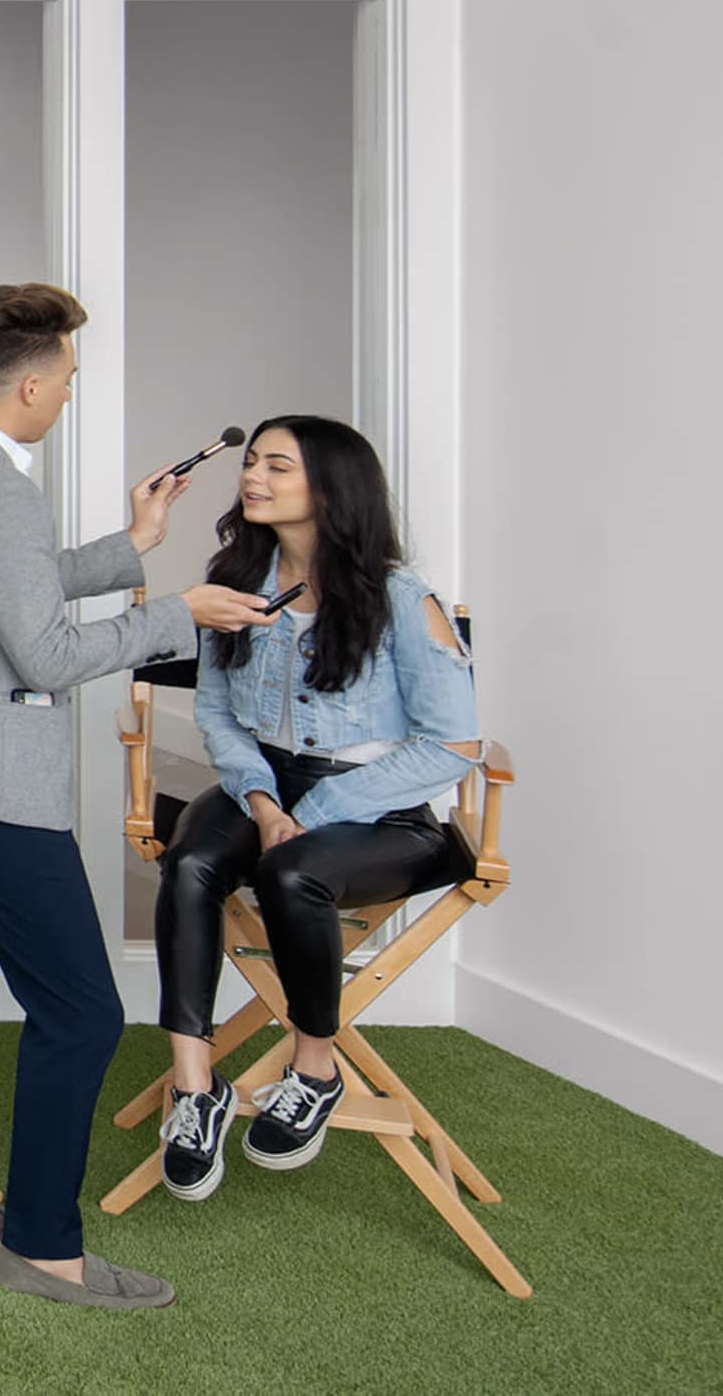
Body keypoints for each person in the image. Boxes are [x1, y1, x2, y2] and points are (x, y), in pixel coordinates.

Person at [0, 286, 276, 1310]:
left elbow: (8, 586)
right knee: (82, 1007)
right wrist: (180, 611)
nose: (70, 396)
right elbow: (42, 646)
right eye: (71, 380)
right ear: (33, 382)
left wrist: (134, 540)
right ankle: (40, 1243)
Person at [149, 416, 479, 1201]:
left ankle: (315, 1067)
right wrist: (263, 799)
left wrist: (322, 803)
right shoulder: (235, 579)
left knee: (294, 870)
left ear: (330, 490)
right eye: (252, 462)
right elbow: (220, 714)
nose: (253, 477)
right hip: (262, 783)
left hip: (382, 808)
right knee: (191, 859)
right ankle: (195, 1088)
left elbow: (455, 745)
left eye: (277, 466)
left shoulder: (402, 597)